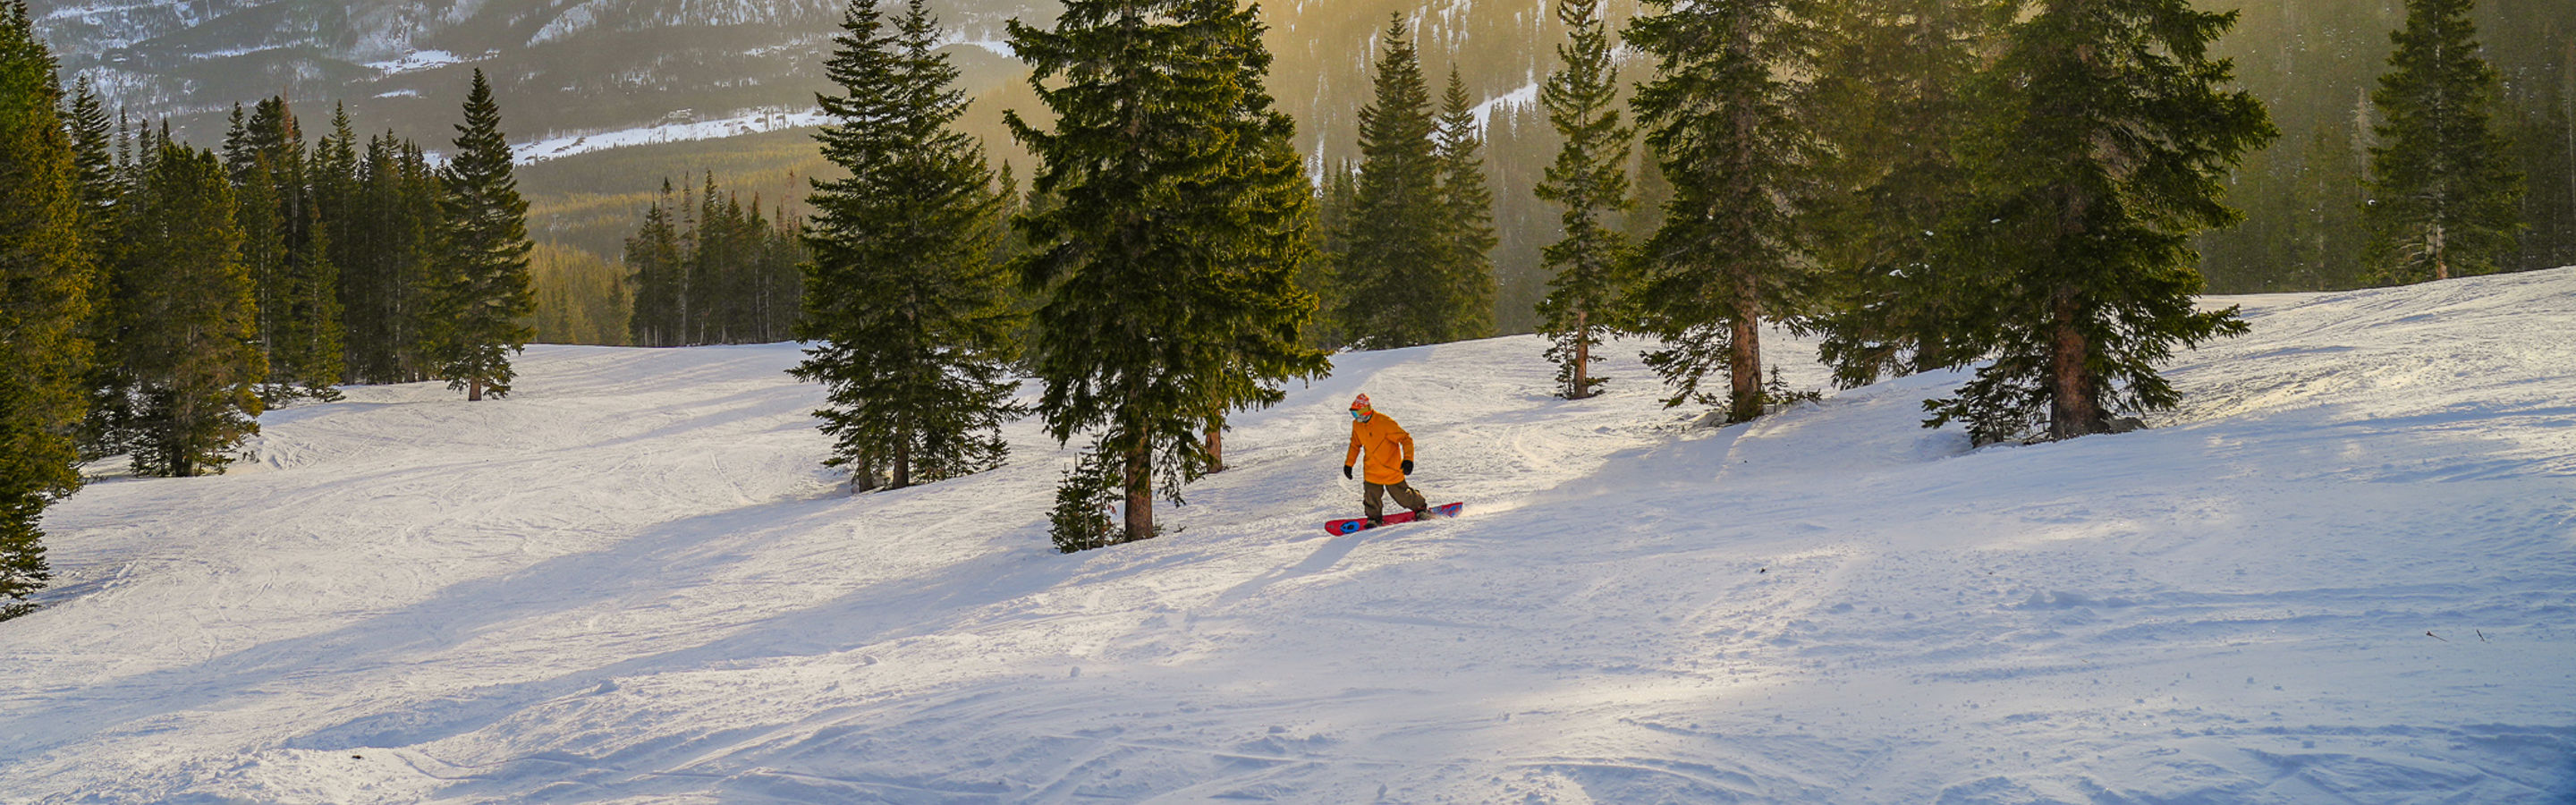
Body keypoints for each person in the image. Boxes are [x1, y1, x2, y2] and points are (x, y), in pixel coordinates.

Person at [1343, 394, 1429, 526]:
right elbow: (1355, 445)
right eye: (1354, 414)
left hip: (1391, 468)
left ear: (1367, 410)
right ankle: (1374, 519)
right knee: (1371, 497)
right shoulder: (1357, 425)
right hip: (1372, 470)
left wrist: (1408, 460)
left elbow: (1406, 439)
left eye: (1358, 414)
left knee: (1402, 496)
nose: (1356, 418)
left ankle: (1420, 509)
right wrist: (1349, 464)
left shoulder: (1384, 422)